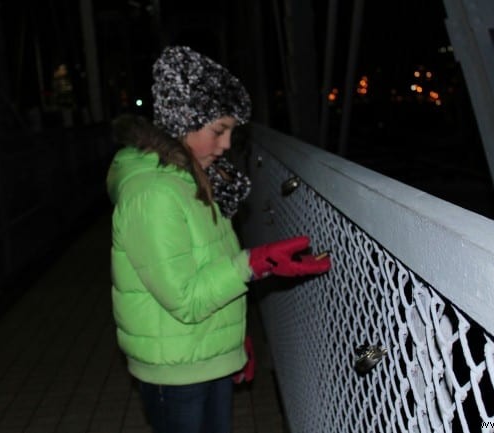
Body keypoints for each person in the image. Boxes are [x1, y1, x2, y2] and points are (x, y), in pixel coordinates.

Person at [106, 45, 332, 433]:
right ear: (183, 121)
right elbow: (186, 299)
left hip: (199, 354)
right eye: (218, 130)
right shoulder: (154, 195)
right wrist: (254, 262)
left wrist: (230, 343)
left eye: (230, 132)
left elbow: (209, 268)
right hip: (176, 368)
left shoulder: (190, 179)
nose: (226, 145)